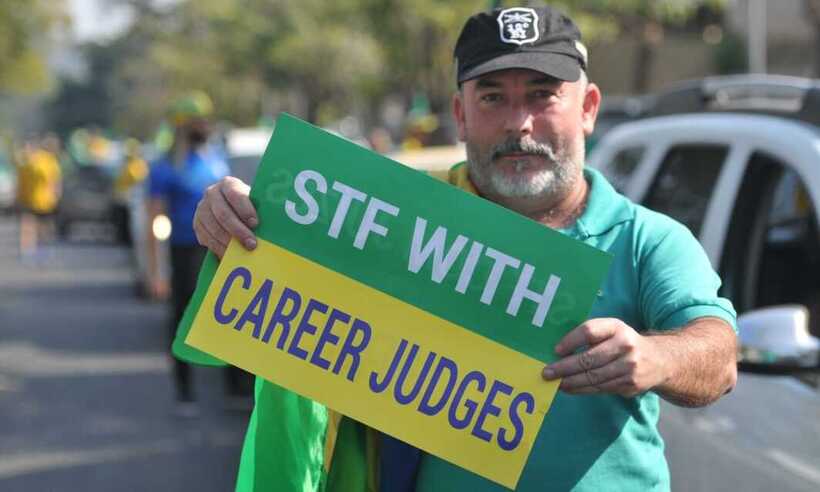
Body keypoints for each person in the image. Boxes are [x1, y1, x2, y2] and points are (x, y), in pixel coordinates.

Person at [187, 6, 737, 491]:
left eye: (543, 96)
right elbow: (276, 289)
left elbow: (717, 353)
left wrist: (654, 357)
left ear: (588, 107)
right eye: (493, 98)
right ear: (460, 115)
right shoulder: (398, 229)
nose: (519, 125)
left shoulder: (646, 239)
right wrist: (236, 215)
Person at [146, 91, 250, 415]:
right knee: (182, 318)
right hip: (184, 249)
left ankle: (236, 388)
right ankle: (185, 391)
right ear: (182, 125)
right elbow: (153, 220)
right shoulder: (165, 167)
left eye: (205, 118)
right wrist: (156, 271)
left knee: (232, 314)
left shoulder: (216, 157)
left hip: (222, 249)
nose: (204, 125)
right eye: (197, 120)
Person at [16, 138, 62, 264]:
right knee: (27, 224)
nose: (26, 151)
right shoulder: (24, 164)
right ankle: (27, 251)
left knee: (44, 227)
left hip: (45, 201)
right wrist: (19, 197)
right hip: (29, 200)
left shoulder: (48, 161)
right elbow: (21, 183)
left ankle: (45, 248)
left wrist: (56, 195)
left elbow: (54, 180)